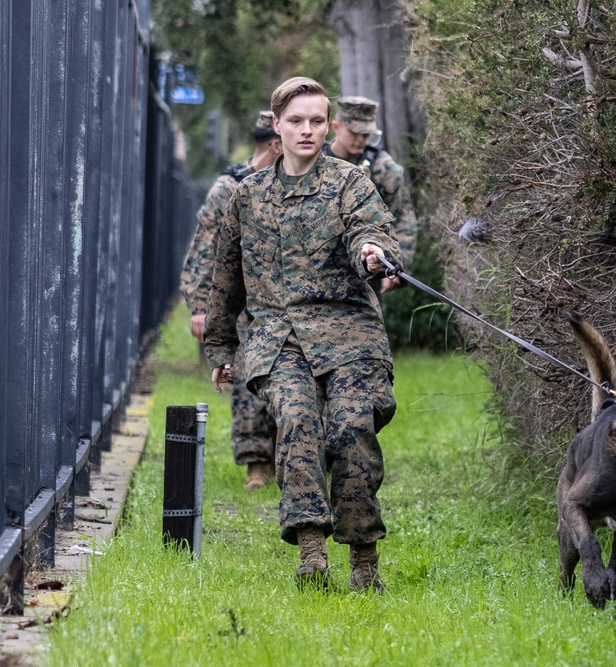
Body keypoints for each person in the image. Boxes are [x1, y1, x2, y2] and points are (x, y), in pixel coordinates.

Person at [203, 77, 401, 592]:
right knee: (295, 421)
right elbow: (226, 278)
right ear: (277, 127)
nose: (307, 130)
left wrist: (373, 252)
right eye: (296, 121)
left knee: (352, 427)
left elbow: (373, 229)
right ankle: (312, 552)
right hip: (278, 339)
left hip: (350, 335)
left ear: (330, 126)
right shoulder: (246, 196)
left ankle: (364, 562)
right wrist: (221, 348)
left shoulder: (350, 183)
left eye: (317, 121)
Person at [180, 111, 284, 491]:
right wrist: (198, 306)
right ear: (275, 144)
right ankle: (256, 462)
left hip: (283, 299)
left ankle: (293, 459)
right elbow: (204, 248)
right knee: (244, 381)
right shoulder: (230, 188)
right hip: (241, 301)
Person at [323, 96, 418, 294]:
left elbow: (403, 220)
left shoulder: (384, 169)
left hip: (367, 270)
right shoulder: (315, 162)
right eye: (355, 132)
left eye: (367, 134)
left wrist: (395, 267)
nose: (361, 139)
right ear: (336, 126)